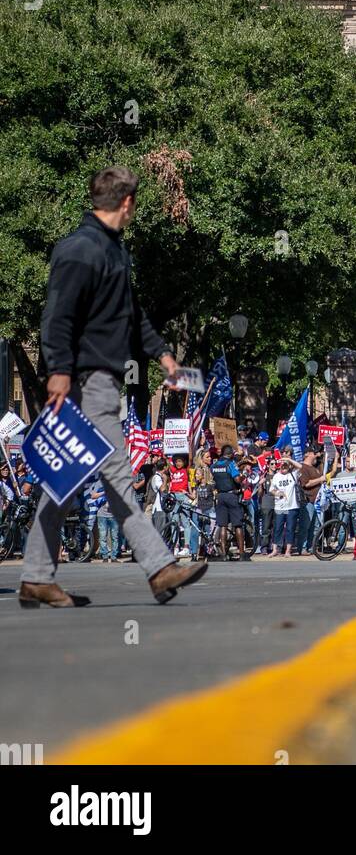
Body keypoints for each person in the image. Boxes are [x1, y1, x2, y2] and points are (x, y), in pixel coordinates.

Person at [19, 167, 206, 608]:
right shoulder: (80, 250)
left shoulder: (112, 251)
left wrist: (163, 356)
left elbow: (133, 313)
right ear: (126, 203)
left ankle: (36, 576)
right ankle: (160, 568)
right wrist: (59, 370)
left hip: (99, 379)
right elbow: (58, 315)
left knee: (64, 480)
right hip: (87, 381)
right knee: (118, 476)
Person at [211, 444, 248, 560]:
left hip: (220, 496)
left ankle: (223, 555)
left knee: (222, 525)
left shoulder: (214, 465)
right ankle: (242, 554)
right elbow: (237, 479)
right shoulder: (230, 464)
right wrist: (243, 475)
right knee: (237, 524)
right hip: (231, 495)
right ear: (231, 454)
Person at [294, 449, 328, 555]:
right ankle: (302, 547)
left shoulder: (314, 468)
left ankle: (310, 546)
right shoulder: (303, 468)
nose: (315, 456)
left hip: (316, 501)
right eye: (314, 454)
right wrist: (320, 480)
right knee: (305, 525)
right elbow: (306, 484)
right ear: (307, 454)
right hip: (308, 501)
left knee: (314, 527)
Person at [270, 454, 301, 556]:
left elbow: (301, 467)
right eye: (282, 466)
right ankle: (275, 549)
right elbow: (272, 489)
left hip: (292, 506)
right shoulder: (276, 476)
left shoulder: (293, 474)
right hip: (280, 506)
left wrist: (288, 459)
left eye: (286, 466)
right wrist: (277, 493)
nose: (284, 468)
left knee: (290, 528)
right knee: (278, 527)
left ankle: (288, 550)